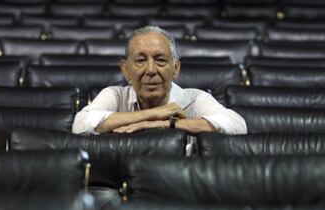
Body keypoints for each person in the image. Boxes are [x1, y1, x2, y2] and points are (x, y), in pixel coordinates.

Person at [72, 25, 247, 136]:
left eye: (160, 60)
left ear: (175, 69)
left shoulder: (195, 99)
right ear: (126, 70)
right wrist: (153, 114)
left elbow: (237, 125)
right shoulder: (115, 95)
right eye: (140, 61)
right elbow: (80, 124)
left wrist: (166, 124)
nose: (150, 70)